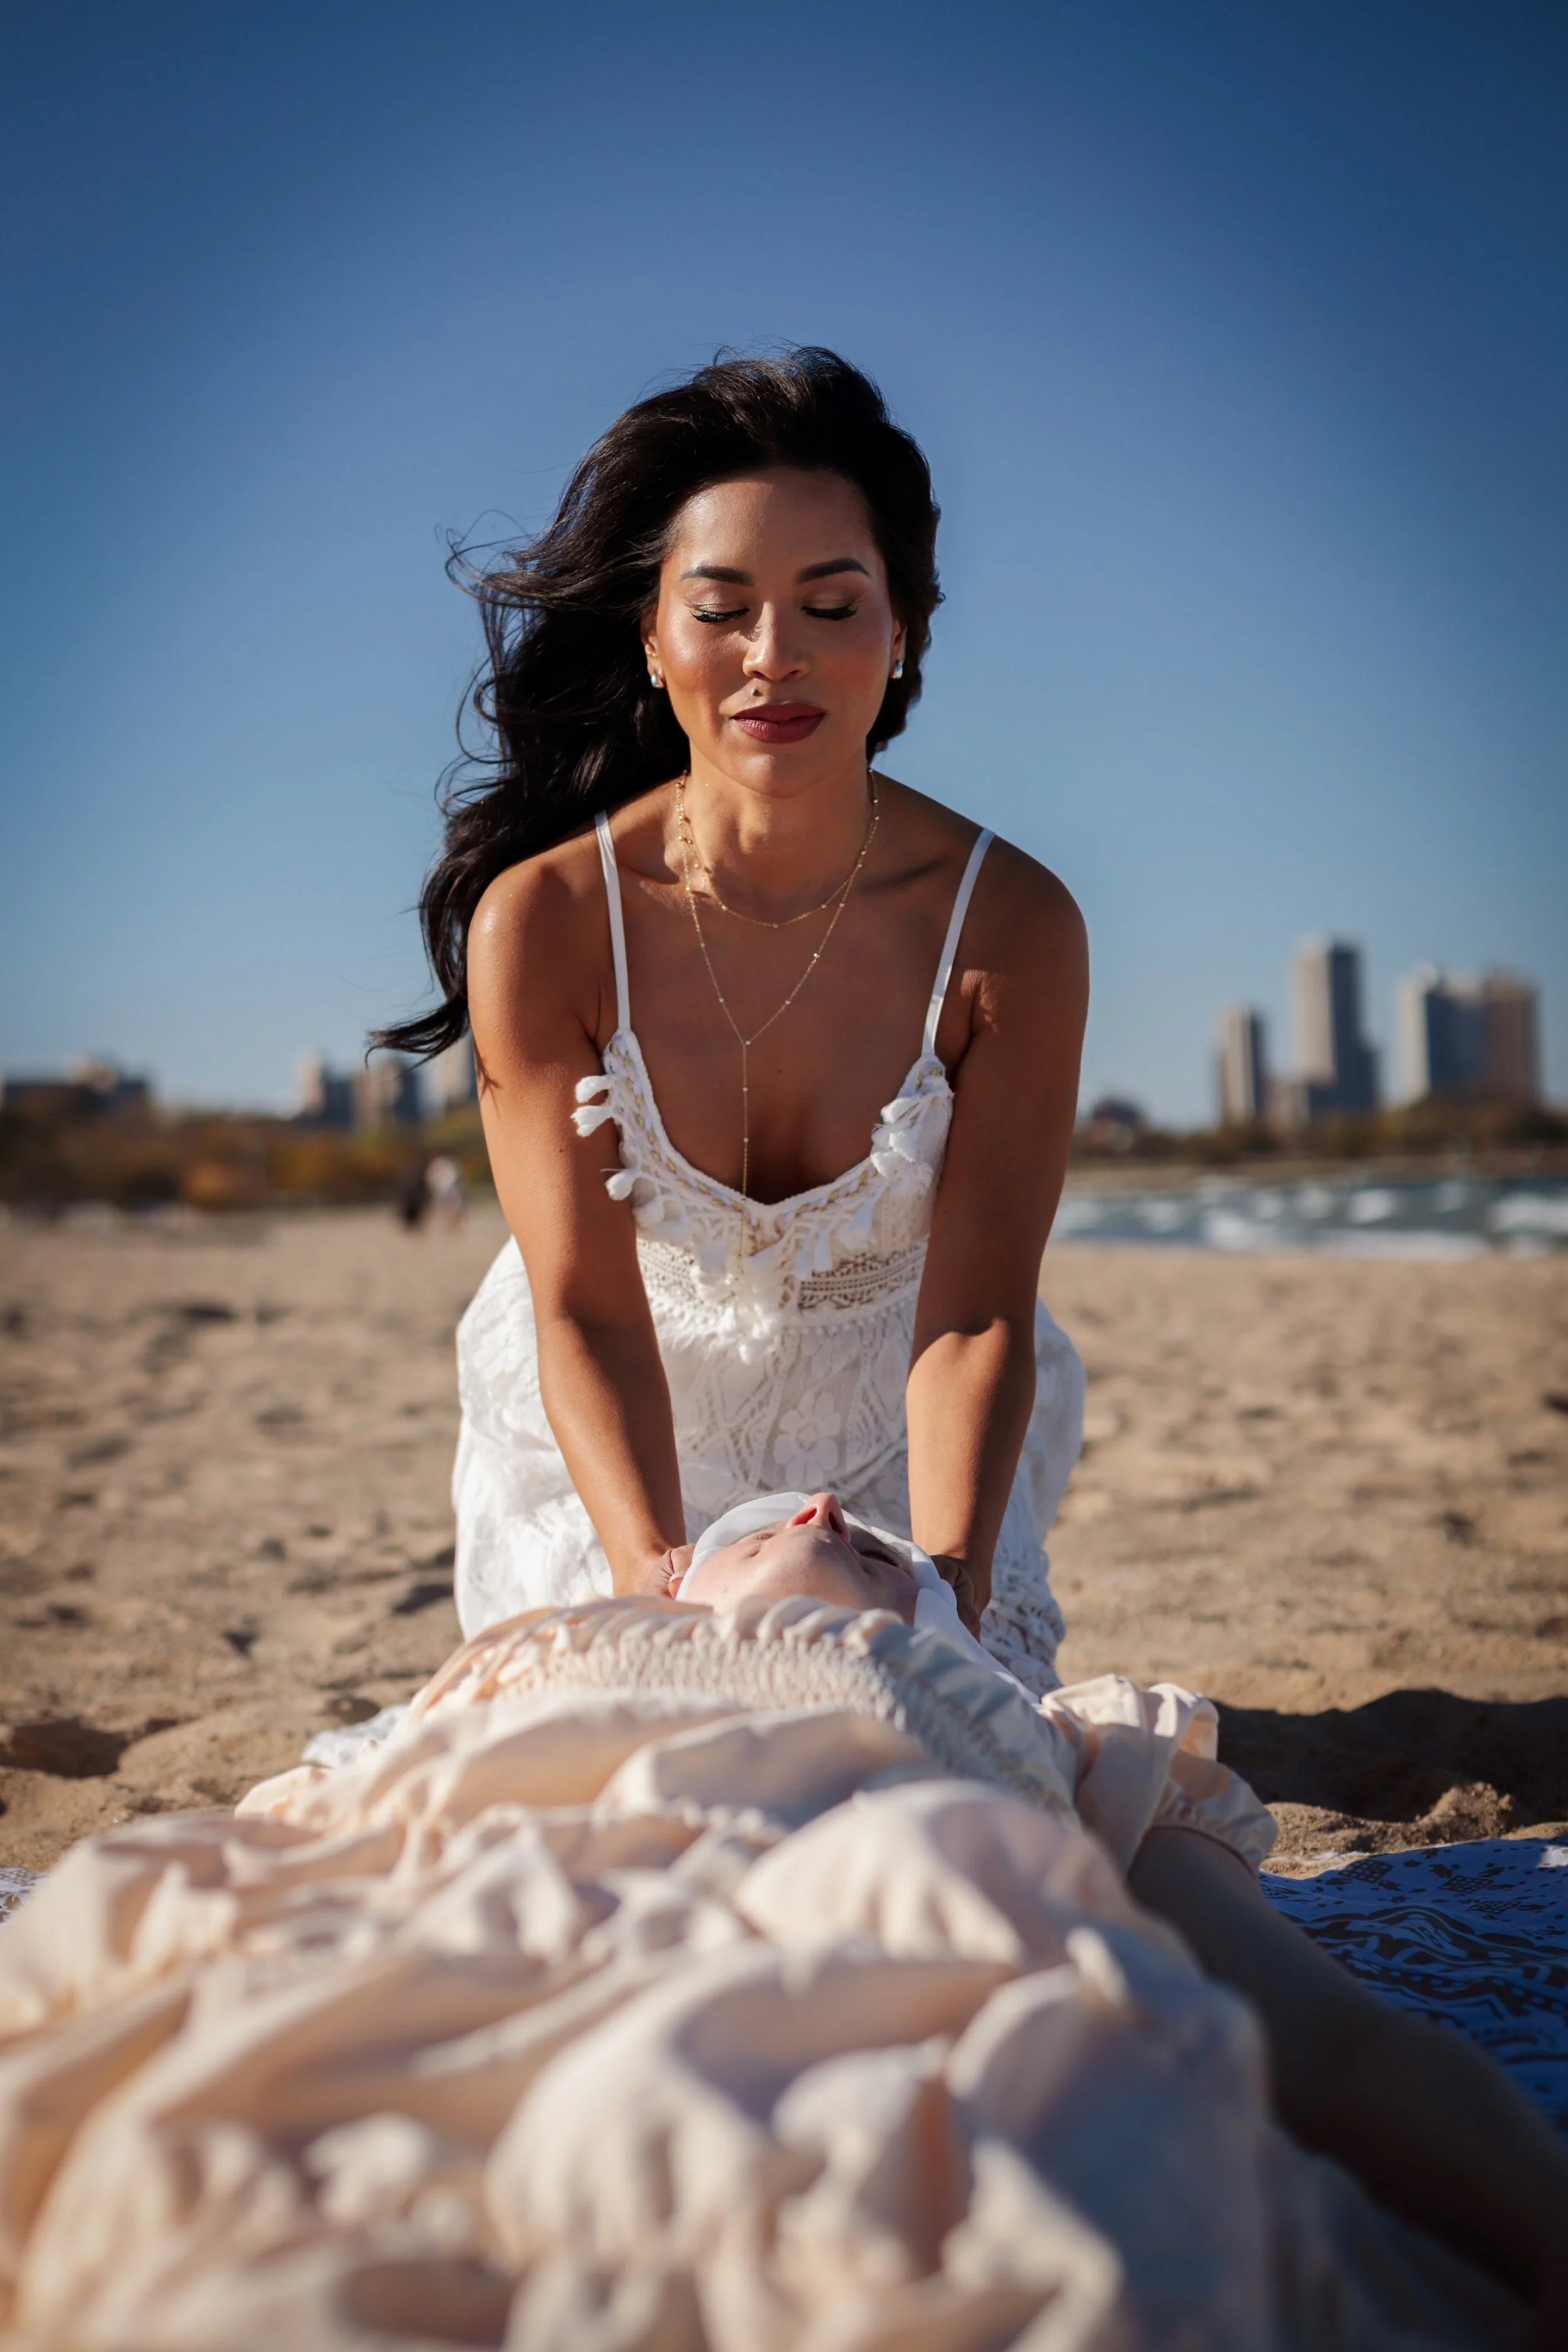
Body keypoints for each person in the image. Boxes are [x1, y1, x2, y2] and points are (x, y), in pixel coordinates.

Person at [377, 348, 1088, 1697]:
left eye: (830, 604)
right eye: (722, 610)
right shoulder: (545, 924)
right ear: (653, 636)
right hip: (617, 1442)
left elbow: (981, 1315)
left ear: (902, 630)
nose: (774, 660)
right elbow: (581, 1308)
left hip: (902, 1451)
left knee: (953, 1746)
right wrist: (653, 1575)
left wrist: (946, 1589)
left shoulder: (1012, 928)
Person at [672, 1489, 1568, 2334]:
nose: (823, 1507)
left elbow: (1332, 2042)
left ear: (935, 1629)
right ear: (664, 1613)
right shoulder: (560, 1694)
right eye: (757, 1535)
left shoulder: (1087, 1750)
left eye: (876, 1551)